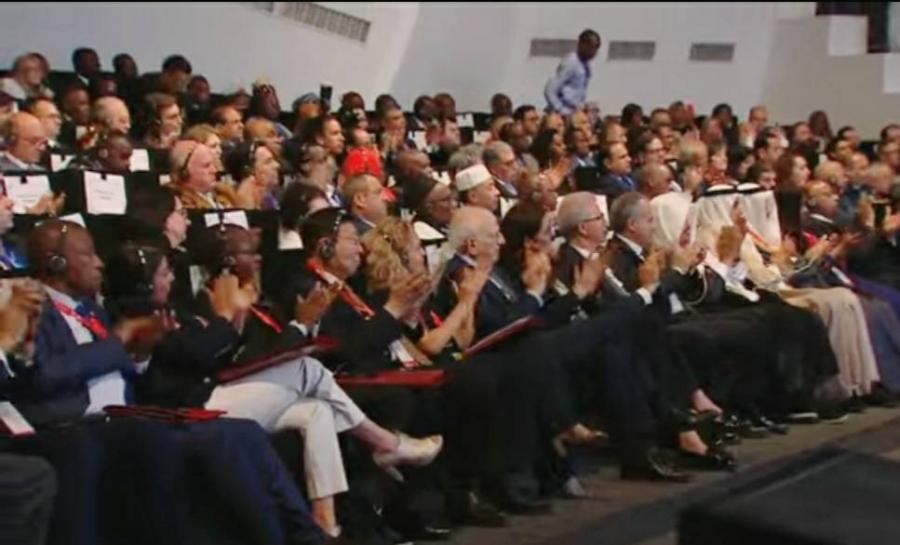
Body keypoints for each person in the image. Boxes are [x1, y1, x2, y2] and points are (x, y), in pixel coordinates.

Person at [14, 219, 328, 545]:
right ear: (57, 262)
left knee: (243, 432)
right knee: (200, 442)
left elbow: (121, 368)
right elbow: (42, 375)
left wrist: (140, 354)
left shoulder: (91, 310)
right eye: (88, 254)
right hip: (81, 425)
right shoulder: (30, 309)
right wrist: (119, 341)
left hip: (130, 415)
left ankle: (307, 535)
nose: (99, 263)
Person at [544, 30, 601, 115]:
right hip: (564, 113)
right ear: (582, 45)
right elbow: (550, 90)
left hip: (575, 112)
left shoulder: (586, 65)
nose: (594, 52)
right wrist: (561, 110)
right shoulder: (571, 62)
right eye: (592, 48)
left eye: (596, 48)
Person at [169, 140, 239, 209]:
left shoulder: (225, 194)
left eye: (213, 164)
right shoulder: (177, 203)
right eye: (206, 166)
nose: (214, 170)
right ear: (184, 173)